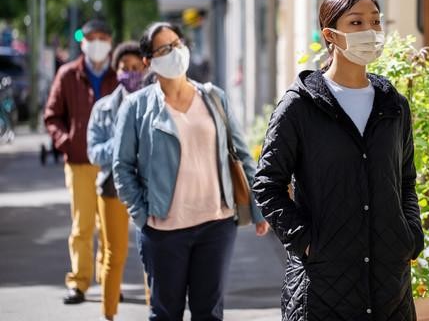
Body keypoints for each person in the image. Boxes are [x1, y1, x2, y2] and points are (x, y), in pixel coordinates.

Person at [253, 0, 424, 320]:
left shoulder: (393, 106)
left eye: (375, 22)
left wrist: (410, 236)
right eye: (356, 23)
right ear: (331, 34)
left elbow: (405, 179)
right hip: (322, 286)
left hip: (389, 285)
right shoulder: (299, 106)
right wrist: (305, 241)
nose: (370, 32)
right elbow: (267, 185)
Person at [112, 22, 270, 321]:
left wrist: (258, 209)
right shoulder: (136, 107)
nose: (176, 52)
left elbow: (241, 155)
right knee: (165, 313)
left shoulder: (213, 97)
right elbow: (122, 167)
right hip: (163, 230)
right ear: (148, 61)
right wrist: (142, 214)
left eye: (178, 43)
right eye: (165, 48)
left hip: (216, 224)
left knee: (209, 313)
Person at [44, 19, 118, 304]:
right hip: (79, 164)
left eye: (103, 37)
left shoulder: (117, 76)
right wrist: (67, 143)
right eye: (92, 37)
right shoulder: (67, 75)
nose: (97, 42)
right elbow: (52, 116)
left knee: (109, 225)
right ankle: (79, 282)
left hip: (111, 163)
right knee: (83, 225)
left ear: (110, 42)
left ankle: (108, 277)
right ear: (83, 42)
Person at [87, 41, 148, 321]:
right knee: (115, 254)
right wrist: (121, 143)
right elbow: (93, 152)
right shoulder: (103, 108)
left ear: (145, 68)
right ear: (117, 70)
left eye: (136, 67)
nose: (131, 73)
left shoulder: (155, 103)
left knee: (153, 255)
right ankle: (108, 314)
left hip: (148, 187)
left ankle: (157, 312)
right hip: (112, 187)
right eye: (125, 68)